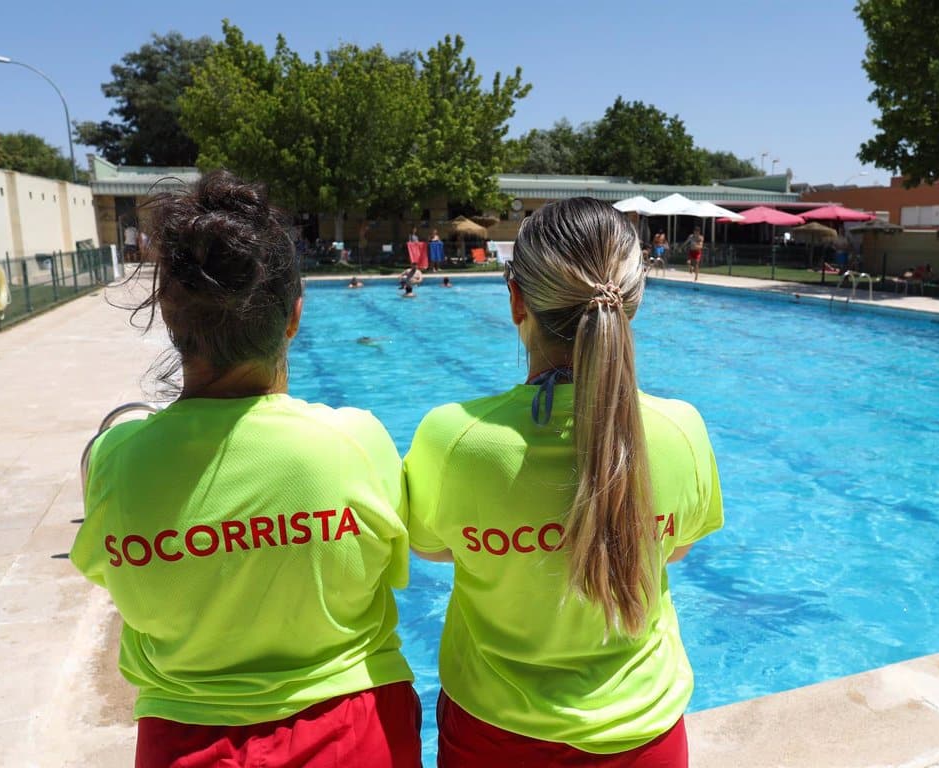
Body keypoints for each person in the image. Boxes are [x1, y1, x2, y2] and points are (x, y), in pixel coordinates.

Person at [70, 171, 420, 768]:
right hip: (354, 730)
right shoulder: (354, 440)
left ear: (168, 317)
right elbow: (389, 564)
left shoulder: (115, 461)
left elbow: (117, 579)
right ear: (294, 316)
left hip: (183, 736)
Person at [404, 197, 723, 766]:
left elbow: (431, 548)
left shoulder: (454, 439)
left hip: (494, 735)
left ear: (517, 300)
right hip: (643, 734)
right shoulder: (682, 431)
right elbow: (673, 553)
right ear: (634, 302)